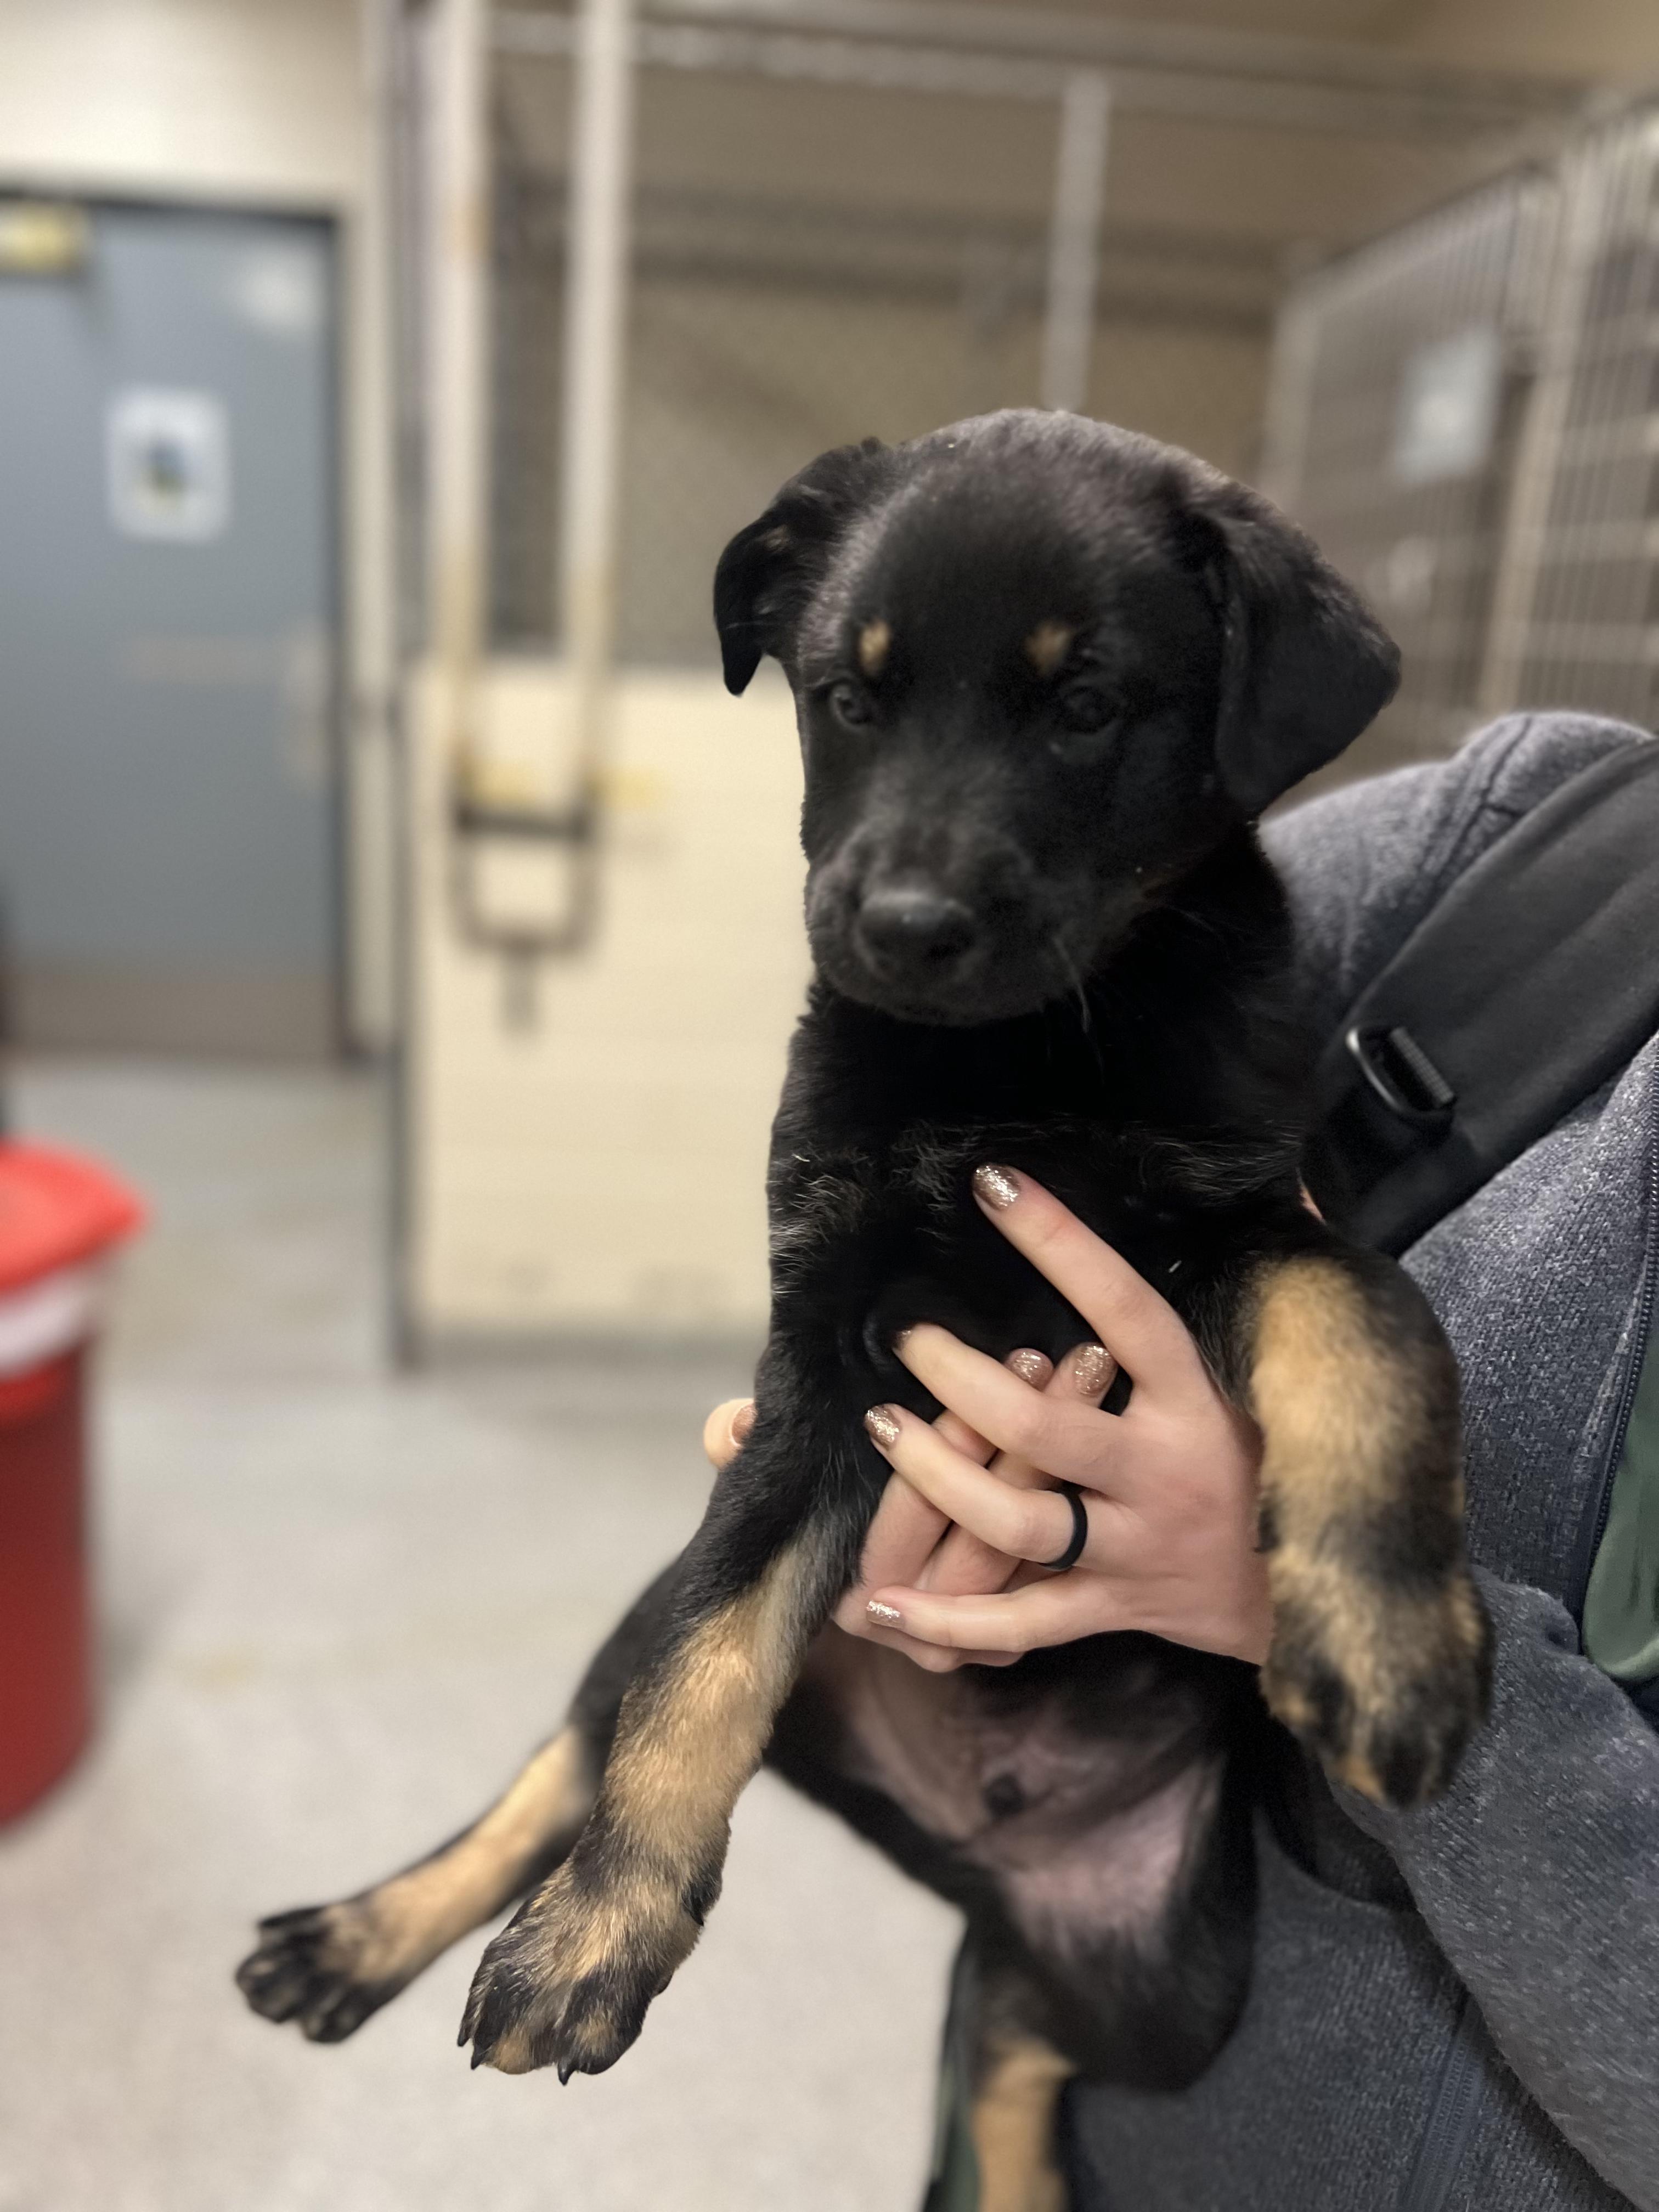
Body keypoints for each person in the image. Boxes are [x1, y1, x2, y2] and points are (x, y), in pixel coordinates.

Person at [705, 712, 1659, 2212]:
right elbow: (995, 1017)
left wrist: (1310, 1591)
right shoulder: (1550, 839)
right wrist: (887, 1341)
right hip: (1113, 2081)